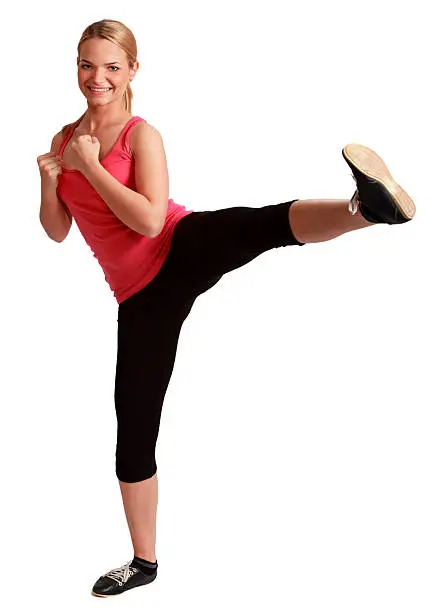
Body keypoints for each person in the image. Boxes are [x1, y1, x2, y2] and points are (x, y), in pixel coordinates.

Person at [37, 19, 416, 599]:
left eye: (113, 67)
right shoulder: (65, 140)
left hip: (177, 245)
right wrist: (49, 180)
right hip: (139, 297)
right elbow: (58, 230)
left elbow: (146, 217)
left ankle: (363, 209)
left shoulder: (142, 136)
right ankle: (144, 562)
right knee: (133, 428)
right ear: (76, 66)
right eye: (88, 65)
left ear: (133, 71)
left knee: (255, 224)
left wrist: (90, 168)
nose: (98, 78)